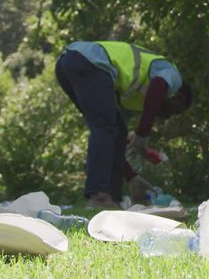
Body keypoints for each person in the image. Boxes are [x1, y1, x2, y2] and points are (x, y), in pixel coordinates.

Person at [54, 41, 193, 209]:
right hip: (90, 62)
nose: (169, 115)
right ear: (180, 97)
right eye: (176, 109)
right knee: (105, 128)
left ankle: (112, 198)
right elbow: (158, 85)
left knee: (113, 130)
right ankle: (99, 196)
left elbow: (116, 137)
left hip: (69, 63)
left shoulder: (135, 97)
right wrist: (143, 133)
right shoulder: (173, 77)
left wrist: (132, 177)